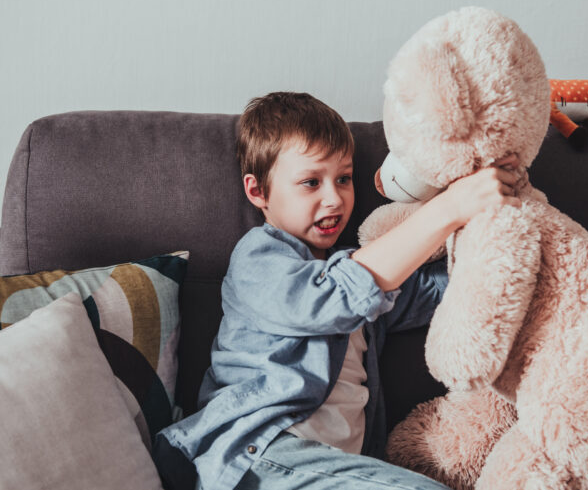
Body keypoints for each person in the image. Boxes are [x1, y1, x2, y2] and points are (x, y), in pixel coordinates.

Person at [153, 92, 524, 490]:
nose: (334, 198)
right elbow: (330, 299)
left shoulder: (366, 264)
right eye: (311, 182)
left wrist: (496, 217)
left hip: (337, 466)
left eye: (343, 179)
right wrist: (449, 209)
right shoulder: (258, 258)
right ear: (258, 192)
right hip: (259, 455)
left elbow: (441, 292)